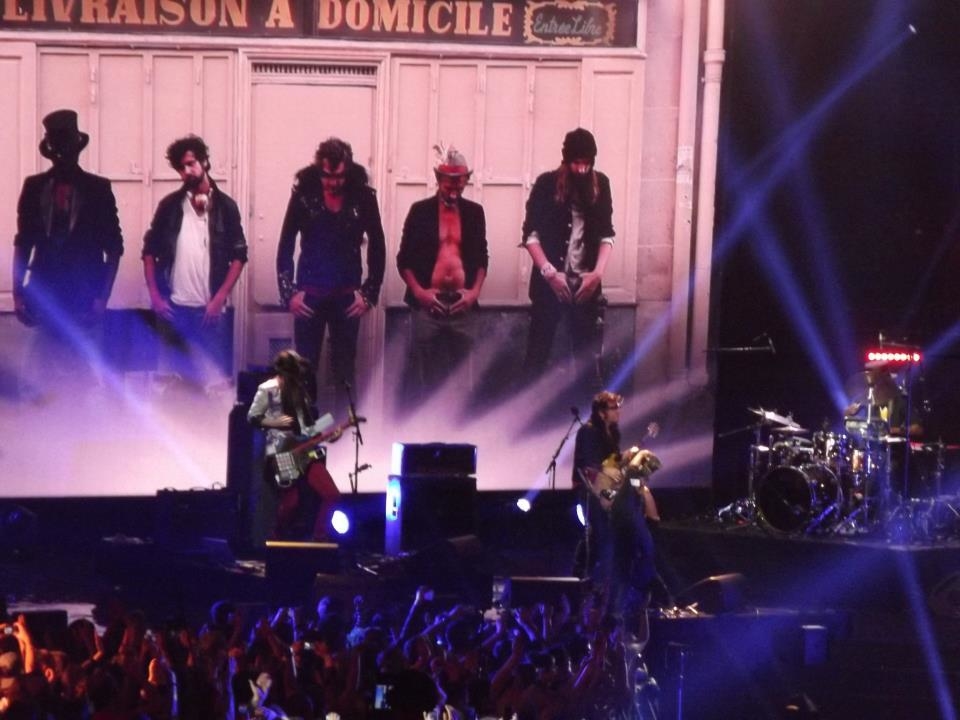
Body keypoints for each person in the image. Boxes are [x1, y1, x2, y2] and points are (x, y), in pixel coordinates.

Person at [12, 109, 124, 398]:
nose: (63, 155)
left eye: (67, 148)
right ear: (51, 152)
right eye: (58, 148)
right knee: (45, 373)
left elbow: (114, 248)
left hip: (85, 296)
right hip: (46, 294)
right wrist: (18, 293)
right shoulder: (34, 187)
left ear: (76, 149)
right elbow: (23, 242)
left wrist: (102, 297)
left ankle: (78, 421)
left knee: (82, 374)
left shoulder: (98, 189)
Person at [276, 137, 386, 418]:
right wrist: (289, 293)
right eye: (327, 176)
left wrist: (369, 293)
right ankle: (304, 429)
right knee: (304, 368)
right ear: (319, 170)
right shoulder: (304, 195)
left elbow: (378, 244)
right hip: (309, 295)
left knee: (345, 369)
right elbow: (286, 243)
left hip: (347, 296)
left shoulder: (363, 196)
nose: (333, 183)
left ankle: (345, 431)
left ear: (347, 171)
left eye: (339, 177)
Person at [142, 135, 247, 392]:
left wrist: (219, 298)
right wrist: (155, 296)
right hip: (174, 309)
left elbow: (239, 256)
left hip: (209, 312)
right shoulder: (170, 206)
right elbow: (149, 252)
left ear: (205, 162)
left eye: (190, 164)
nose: (186, 171)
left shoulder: (226, 207)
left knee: (213, 385)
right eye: (181, 167)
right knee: (172, 388)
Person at [521, 127, 614, 385]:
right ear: (566, 160)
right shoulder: (546, 184)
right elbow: (530, 235)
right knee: (537, 354)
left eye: (587, 163)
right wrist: (550, 273)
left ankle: (584, 407)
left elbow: (606, 235)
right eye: (576, 162)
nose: (581, 169)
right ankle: (529, 407)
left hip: (585, 283)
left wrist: (596, 275)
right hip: (549, 283)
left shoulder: (601, 184)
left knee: (586, 361)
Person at [397, 145, 488, 396]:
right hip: (428, 305)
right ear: (438, 179)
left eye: (460, 185)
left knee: (461, 379)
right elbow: (404, 259)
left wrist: (473, 293)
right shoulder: (420, 211)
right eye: (449, 185)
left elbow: (482, 258)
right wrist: (419, 293)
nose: (454, 191)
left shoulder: (474, 213)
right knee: (423, 376)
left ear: (466, 181)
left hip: (462, 305)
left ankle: (459, 419)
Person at [572, 391, 657, 619]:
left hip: (610, 493)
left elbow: (614, 462)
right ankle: (594, 594)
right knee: (603, 541)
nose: (618, 411)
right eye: (614, 408)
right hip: (592, 492)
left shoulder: (613, 433)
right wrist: (608, 469)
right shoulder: (588, 431)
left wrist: (627, 456)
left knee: (613, 541)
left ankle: (613, 596)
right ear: (601, 413)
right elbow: (587, 464)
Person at [247, 349, 342, 541]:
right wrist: (274, 422)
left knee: (332, 494)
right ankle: (276, 536)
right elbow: (252, 417)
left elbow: (307, 429)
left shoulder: (300, 392)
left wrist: (330, 434)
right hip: (281, 453)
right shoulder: (267, 389)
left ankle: (320, 536)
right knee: (291, 502)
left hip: (306, 453)